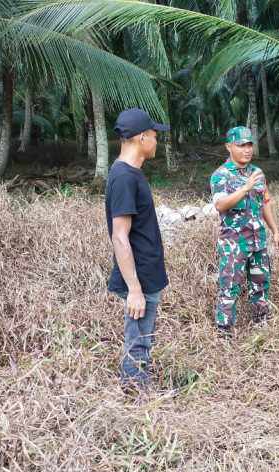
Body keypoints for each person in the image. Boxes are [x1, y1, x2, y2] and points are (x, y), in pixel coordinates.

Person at [105, 108, 169, 387]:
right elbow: (120, 236)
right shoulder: (124, 178)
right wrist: (134, 289)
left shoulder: (130, 174)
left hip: (146, 273)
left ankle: (140, 385)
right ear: (142, 138)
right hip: (138, 277)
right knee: (138, 341)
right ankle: (136, 395)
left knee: (144, 339)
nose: (157, 142)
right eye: (155, 136)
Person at [210, 126, 279, 336]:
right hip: (234, 243)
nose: (247, 149)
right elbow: (220, 205)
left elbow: (265, 203)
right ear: (229, 147)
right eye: (241, 145)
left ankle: (261, 322)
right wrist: (244, 189)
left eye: (249, 144)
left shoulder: (257, 173)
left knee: (261, 283)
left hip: (258, 240)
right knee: (229, 286)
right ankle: (224, 331)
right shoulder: (220, 176)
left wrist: (275, 230)